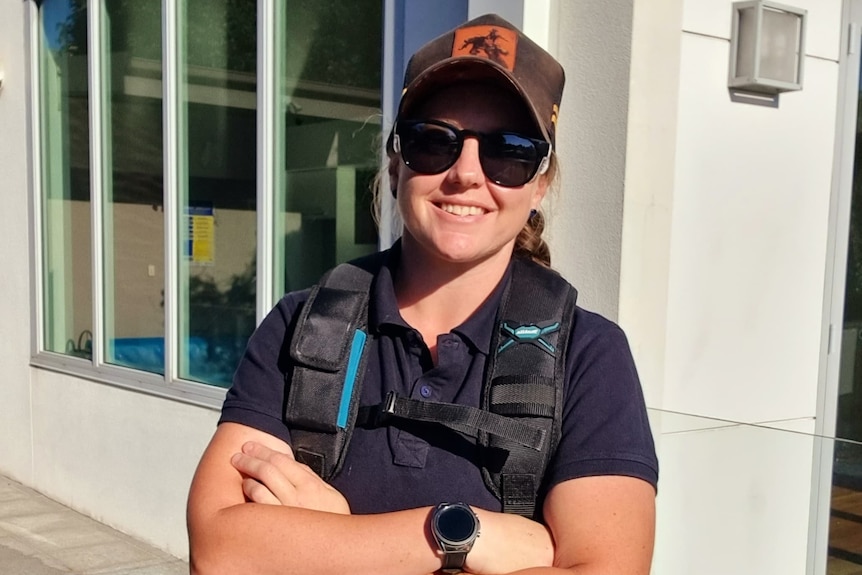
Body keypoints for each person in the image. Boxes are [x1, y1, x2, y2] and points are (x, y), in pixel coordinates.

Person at [187, 13, 658, 575]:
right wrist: (460, 535)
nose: (466, 174)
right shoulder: (302, 325)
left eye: (508, 151)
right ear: (395, 164)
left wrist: (331, 544)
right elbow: (218, 552)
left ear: (539, 184)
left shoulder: (589, 354)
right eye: (434, 142)